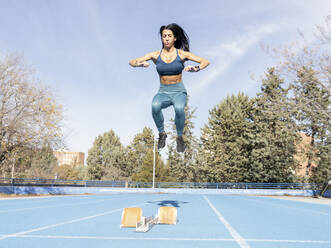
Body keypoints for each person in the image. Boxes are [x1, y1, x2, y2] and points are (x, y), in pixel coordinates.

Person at [129, 23, 210, 152]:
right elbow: (132, 62)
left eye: (169, 36)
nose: (166, 38)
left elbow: (205, 61)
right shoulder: (155, 55)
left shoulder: (182, 54)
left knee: (179, 109)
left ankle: (179, 137)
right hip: (163, 91)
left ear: (174, 38)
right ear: (162, 39)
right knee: (155, 106)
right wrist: (140, 64)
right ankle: (162, 134)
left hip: (178, 91)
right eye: (164, 36)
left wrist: (196, 68)